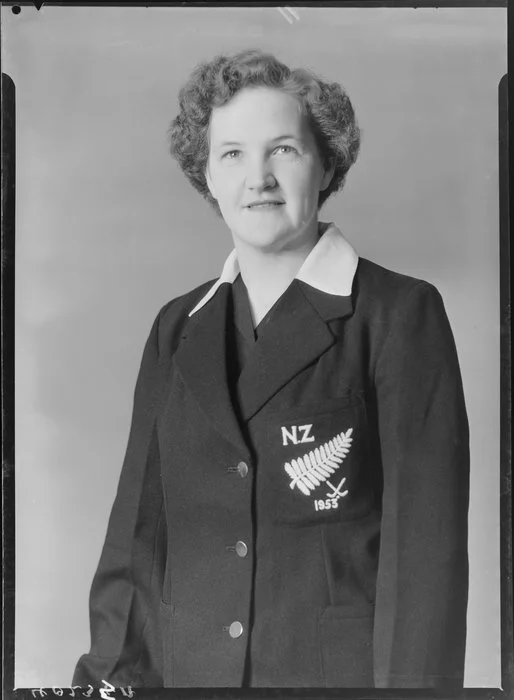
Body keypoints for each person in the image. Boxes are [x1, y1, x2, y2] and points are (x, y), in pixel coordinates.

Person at [72, 49, 470, 689]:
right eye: (232, 153)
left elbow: (425, 559)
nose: (257, 177)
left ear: (327, 162)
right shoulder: (177, 327)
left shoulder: (399, 315)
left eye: (283, 149)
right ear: (206, 175)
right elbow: (136, 542)